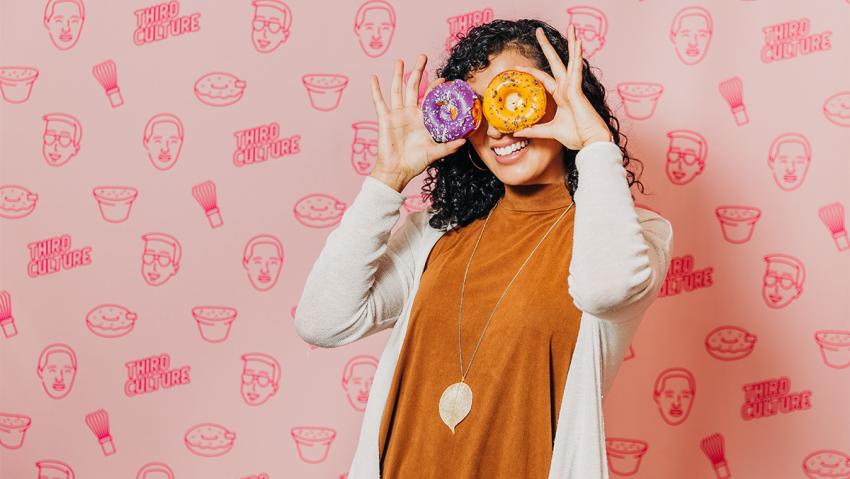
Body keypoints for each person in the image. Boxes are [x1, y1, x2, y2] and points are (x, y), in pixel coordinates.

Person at [294, 19, 673, 478]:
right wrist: (386, 179)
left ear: (563, 95)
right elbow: (322, 322)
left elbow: (606, 291)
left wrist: (594, 144)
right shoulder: (434, 234)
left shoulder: (636, 236)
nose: (497, 130)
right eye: (480, 108)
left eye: (512, 99)